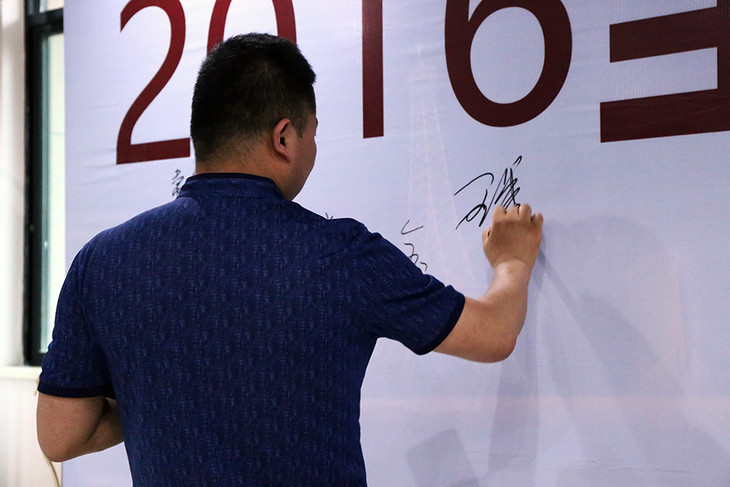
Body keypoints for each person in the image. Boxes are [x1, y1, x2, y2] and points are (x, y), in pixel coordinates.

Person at [36, 33, 543, 485]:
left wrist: (158, 395)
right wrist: (512, 263)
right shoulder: (341, 254)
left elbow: (59, 436)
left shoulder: (102, 261)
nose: (313, 147)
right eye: (312, 133)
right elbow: (493, 334)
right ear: (283, 137)